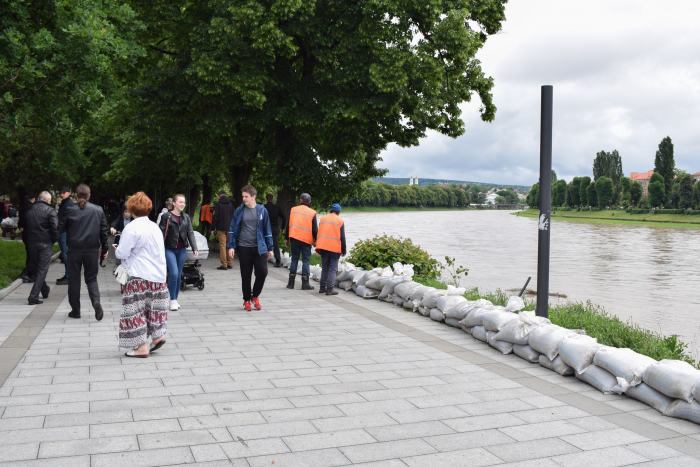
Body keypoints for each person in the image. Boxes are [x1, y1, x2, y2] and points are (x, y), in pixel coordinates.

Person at [114, 192, 169, 358]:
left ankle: (141, 347)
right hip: (158, 277)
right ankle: (157, 337)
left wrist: (116, 250)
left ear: (131, 209)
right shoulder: (155, 227)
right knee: (154, 309)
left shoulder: (131, 227)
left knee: (135, 311)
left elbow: (122, 253)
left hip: (139, 276)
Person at [58, 184, 109, 320]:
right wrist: (105, 249)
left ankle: (76, 311)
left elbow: (60, 228)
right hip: (92, 250)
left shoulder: (69, 209)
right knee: (91, 279)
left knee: (74, 280)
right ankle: (95, 301)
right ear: (89, 196)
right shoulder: (98, 210)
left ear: (75, 195)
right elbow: (103, 232)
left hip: (74, 250)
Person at [227, 185, 273, 311]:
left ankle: (255, 295)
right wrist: (231, 246)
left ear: (253, 196)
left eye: (246, 196)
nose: (244, 199)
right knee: (246, 275)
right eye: (243, 196)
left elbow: (267, 230)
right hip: (244, 247)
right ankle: (246, 300)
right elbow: (232, 229)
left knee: (262, 272)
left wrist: (270, 248)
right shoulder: (239, 210)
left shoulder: (262, 210)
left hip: (260, 248)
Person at [159, 194, 198, 311]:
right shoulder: (166, 216)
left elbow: (190, 232)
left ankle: (174, 299)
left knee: (178, 274)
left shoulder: (185, 217)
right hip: (169, 249)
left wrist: (194, 247)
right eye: (180, 202)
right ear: (174, 203)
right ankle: (172, 299)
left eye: (184, 202)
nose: (183, 204)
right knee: (174, 273)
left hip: (182, 250)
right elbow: (160, 233)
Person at [25, 192, 58, 305]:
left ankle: (44, 290)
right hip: (45, 242)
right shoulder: (50, 211)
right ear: (48, 200)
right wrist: (53, 240)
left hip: (32, 243)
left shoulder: (29, 211)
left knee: (36, 268)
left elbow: (26, 227)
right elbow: (55, 228)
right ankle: (33, 296)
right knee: (42, 269)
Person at [284, 193, 318, 290]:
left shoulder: (293, 210)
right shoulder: (312, 212)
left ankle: (291, 283)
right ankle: (305, 283)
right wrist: (316, 240)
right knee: (305, 261)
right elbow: (315, 229)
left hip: (295, 238)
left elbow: (288, 225)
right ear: (309, 202)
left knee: (294, 259)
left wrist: (286, 238)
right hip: (307, 240)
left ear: (300, 200)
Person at [316, 204, 347, 295]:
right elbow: (343, 237)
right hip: (334, 248)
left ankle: (322, 287)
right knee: (333, 269)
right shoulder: (340, 221)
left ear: (331, 210)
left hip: (323, 246)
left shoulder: (323, 219)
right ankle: (330, 289)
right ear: (339, 212)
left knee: (325, 268)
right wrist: (344, 250)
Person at [55, 186, 74, 285]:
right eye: (60, 193)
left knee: (66, 255)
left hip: (65, 232)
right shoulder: (65, 203)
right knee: (64, 254)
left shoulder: (68, 204)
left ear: (68, 193)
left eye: (64, 192)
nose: (62, 194)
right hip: (63, 231)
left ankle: (68, 276)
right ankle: (67, 275)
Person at [212, 190, 235, 270]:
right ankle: (230, 263)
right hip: (230, 228)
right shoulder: (231, 205)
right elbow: (234, 216)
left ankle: (224, 264)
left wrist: (212, 228)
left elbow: (215, 217)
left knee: (222, 246)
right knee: (229, 245)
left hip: (221, 228)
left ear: (219, 196)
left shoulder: (218, 205)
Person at [263, 194, 286, 267]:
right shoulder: (277, 207)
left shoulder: (263, 207)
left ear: (266, 199)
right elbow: (284, 218)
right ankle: (278, 261)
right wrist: (282, 228)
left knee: (263, 244)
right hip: (274, 228)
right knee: (275, 245)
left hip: (265, 229)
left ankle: (263, 261)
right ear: (272, 199)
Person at [18, 192, 36, 282]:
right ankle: (27, 272)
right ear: (33, 199)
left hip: (24, 233)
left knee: (29, 252)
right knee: (32, 254)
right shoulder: (31, 208)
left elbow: (20, 220)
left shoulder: (22, 207)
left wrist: (21, 227)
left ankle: (29, 273)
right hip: (30, 233)